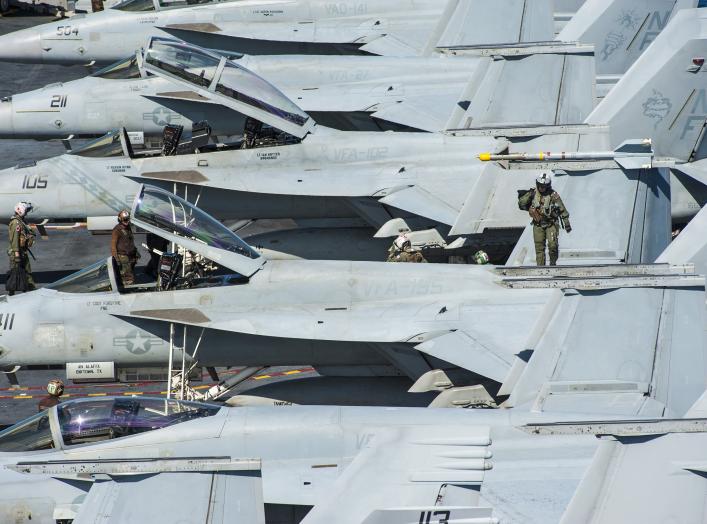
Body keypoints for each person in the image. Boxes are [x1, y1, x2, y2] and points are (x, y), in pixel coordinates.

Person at [518, 172, 571, 266]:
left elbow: (562, 209)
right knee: (539, 248)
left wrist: (566, 224)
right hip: (538, 225)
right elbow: (521, 204)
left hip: (551, 224)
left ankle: (553, 264)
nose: (542, 188)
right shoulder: (533, 193)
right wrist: (528, 196)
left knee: (553, 245)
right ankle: (540, 269)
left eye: (544, 186)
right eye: (540, 186)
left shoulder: (553, 195)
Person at [7, 201, 36, 292]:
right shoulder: (16, 223)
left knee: (27, 273)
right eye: (26, 210)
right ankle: (11, 293)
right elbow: (15, 240)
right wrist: (17, 255)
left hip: (22, 251)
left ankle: (31, 290)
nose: (26, 212)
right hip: (17, 253)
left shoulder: (21, 221)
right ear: (20, 210)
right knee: (15, 274)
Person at [111, 210, 139, 285]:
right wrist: (116, 259)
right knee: (128, 277)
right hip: (123, 256)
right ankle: (128, 290)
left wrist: (135, 252)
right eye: (125, 219)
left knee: (130, 272)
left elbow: (130, 240)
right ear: (120, 219)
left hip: (131, 255)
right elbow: (113, 245)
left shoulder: (128, 227)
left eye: (128, 219)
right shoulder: (117, 230)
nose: (127, 221)